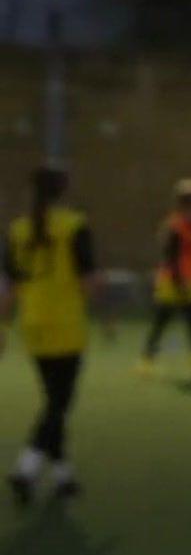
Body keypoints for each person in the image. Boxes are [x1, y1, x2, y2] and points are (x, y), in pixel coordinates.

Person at [2, 166, 103, 507]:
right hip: (66, 324)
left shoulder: (16, 230)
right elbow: (88, 280)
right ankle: (26, 469)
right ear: (63, 190)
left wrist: (3, 325)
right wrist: (103, 305)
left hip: (33, 325)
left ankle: (64, 477)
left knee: (53, 403)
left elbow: (9, 287)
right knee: (59, 404)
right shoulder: (74, 225)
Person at [139, 178, 191, 382]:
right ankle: (146, 362)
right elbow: (170, 258)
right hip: (172, 282)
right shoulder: (174, 226)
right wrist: (179, 283)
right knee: (162, 321)